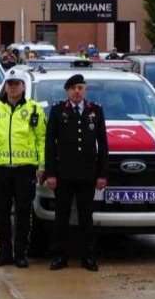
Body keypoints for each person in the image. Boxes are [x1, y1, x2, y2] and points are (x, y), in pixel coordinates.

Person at [0, 70, 47, 268]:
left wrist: (42, 165)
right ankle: (4, 253)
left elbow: (41, 139)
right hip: (1, 170)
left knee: (22, 212)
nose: (13, 87)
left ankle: (20, 253)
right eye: (10, 83)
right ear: (6, 85)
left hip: (25, 170)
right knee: (1, 212)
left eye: (16, 83)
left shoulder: (34, 109)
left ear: (23, 86)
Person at [44, 73, 108, 272]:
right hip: (63, 174)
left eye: (80, 87)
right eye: (73, 88)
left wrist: (102, 174)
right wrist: (51, 173)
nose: (77, 91)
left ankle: (88, 257)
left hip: (87, 174)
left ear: (85, 89)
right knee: (61, 217)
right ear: (67, 91)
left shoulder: (95, 111)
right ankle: (60, 257)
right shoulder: (57, 111)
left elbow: (103, 145)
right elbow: (50, 145)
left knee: (86, 218)